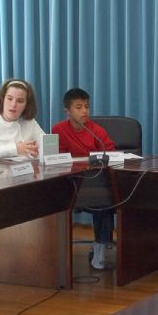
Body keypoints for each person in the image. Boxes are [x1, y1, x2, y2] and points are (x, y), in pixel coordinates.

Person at [51, 88, 115, 269]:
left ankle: (100, 245)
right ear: (67, 111)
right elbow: (58, 158)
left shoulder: (97, 131)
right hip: (70, 182)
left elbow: (110, 155)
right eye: (78, 107)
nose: (85, 111)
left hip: (95, 182)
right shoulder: (58, 129)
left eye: (87, 106)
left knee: (104, 196)